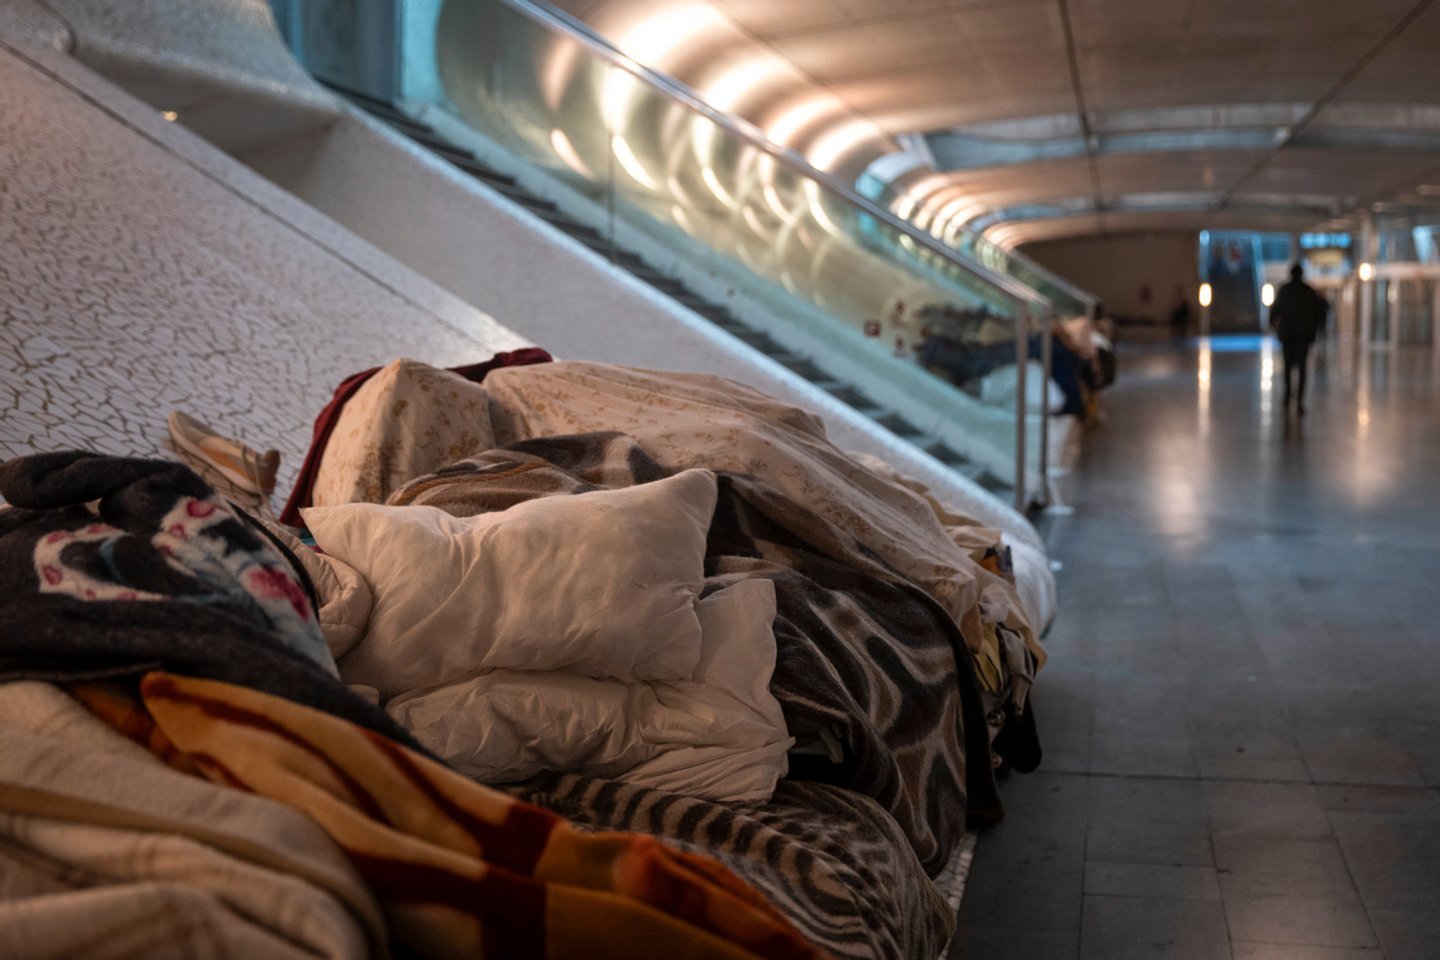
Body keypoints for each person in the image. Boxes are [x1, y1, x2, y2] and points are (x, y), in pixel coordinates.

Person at [1269, 263, 1328, 413]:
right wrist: (1317, 328)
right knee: (1302, 368)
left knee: (1288, 368)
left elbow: (1275, 311)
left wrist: (1274, 326)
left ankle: (1288, 397)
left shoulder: (1285, 290)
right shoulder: (1308, 291)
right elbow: (1320, 313)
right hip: (1304, 336)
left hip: (1287, 336)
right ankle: (1300, 401)